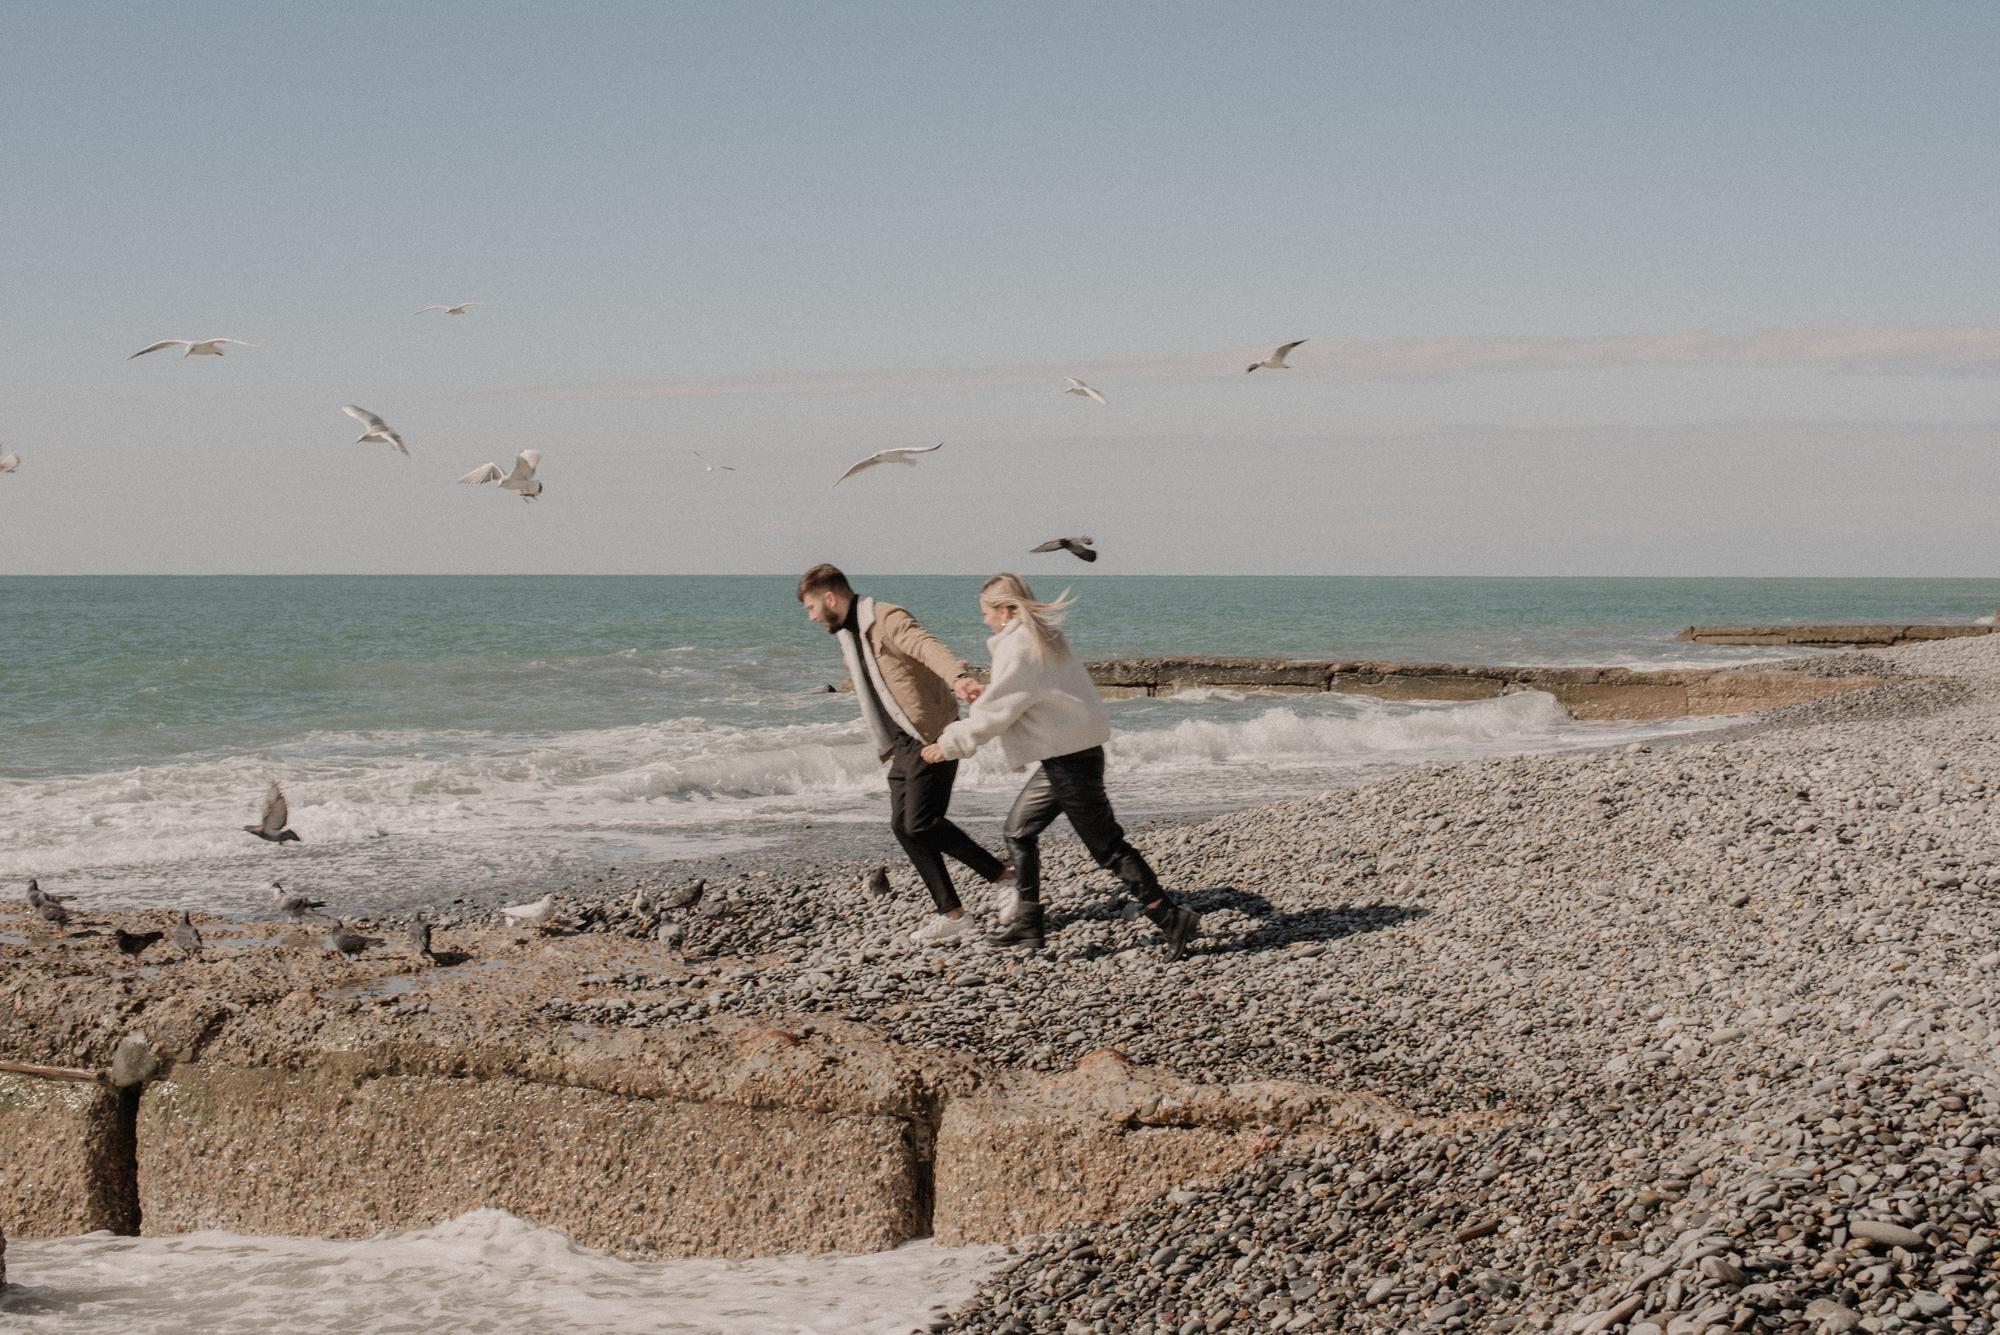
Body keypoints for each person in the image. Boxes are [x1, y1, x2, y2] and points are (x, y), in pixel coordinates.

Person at [922, 573, 1199, 961]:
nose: (984, 620)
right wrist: (993, 696)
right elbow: (1024, 697)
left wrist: (947, 746)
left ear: (1004, 610)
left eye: (986, 612)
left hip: (1071, 762)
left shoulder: (1018, 644)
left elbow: (995, 715)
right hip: (1067, 756)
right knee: (1018, 832)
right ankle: (1028, 925)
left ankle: (1170, 918)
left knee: (1108, 849)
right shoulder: (1041, 637)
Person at [798, 563, 1013, 942]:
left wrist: (959, 677)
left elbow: (927, 647)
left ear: (830, 598)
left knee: (921, 822)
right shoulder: (850, 634)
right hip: (900, 742)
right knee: (904, 826)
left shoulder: (886, 619)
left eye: (812, 607)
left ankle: (1004, 876)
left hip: (931, 734)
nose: (811, 616)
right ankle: (953, 915)